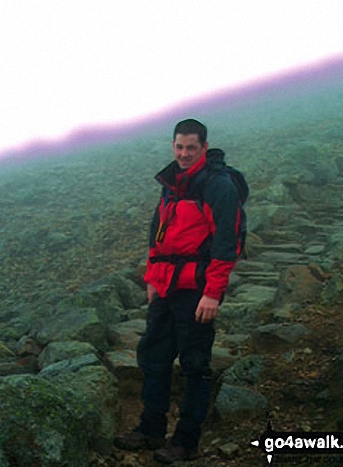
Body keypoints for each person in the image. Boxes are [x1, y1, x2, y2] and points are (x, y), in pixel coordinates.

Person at [115, 118, 246, 464]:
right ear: (172, 146)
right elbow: (158, 234)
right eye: (179, 147)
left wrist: (213, 293)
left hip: (197, 290)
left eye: (191, 147)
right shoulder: (172, 184)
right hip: (167, 287)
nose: (184, 154)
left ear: (204, 147)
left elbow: (225, 242)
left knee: (194, 362)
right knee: (154, 357)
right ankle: (150, 428)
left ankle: (186, 440)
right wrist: (152, 279)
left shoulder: (218, 186)